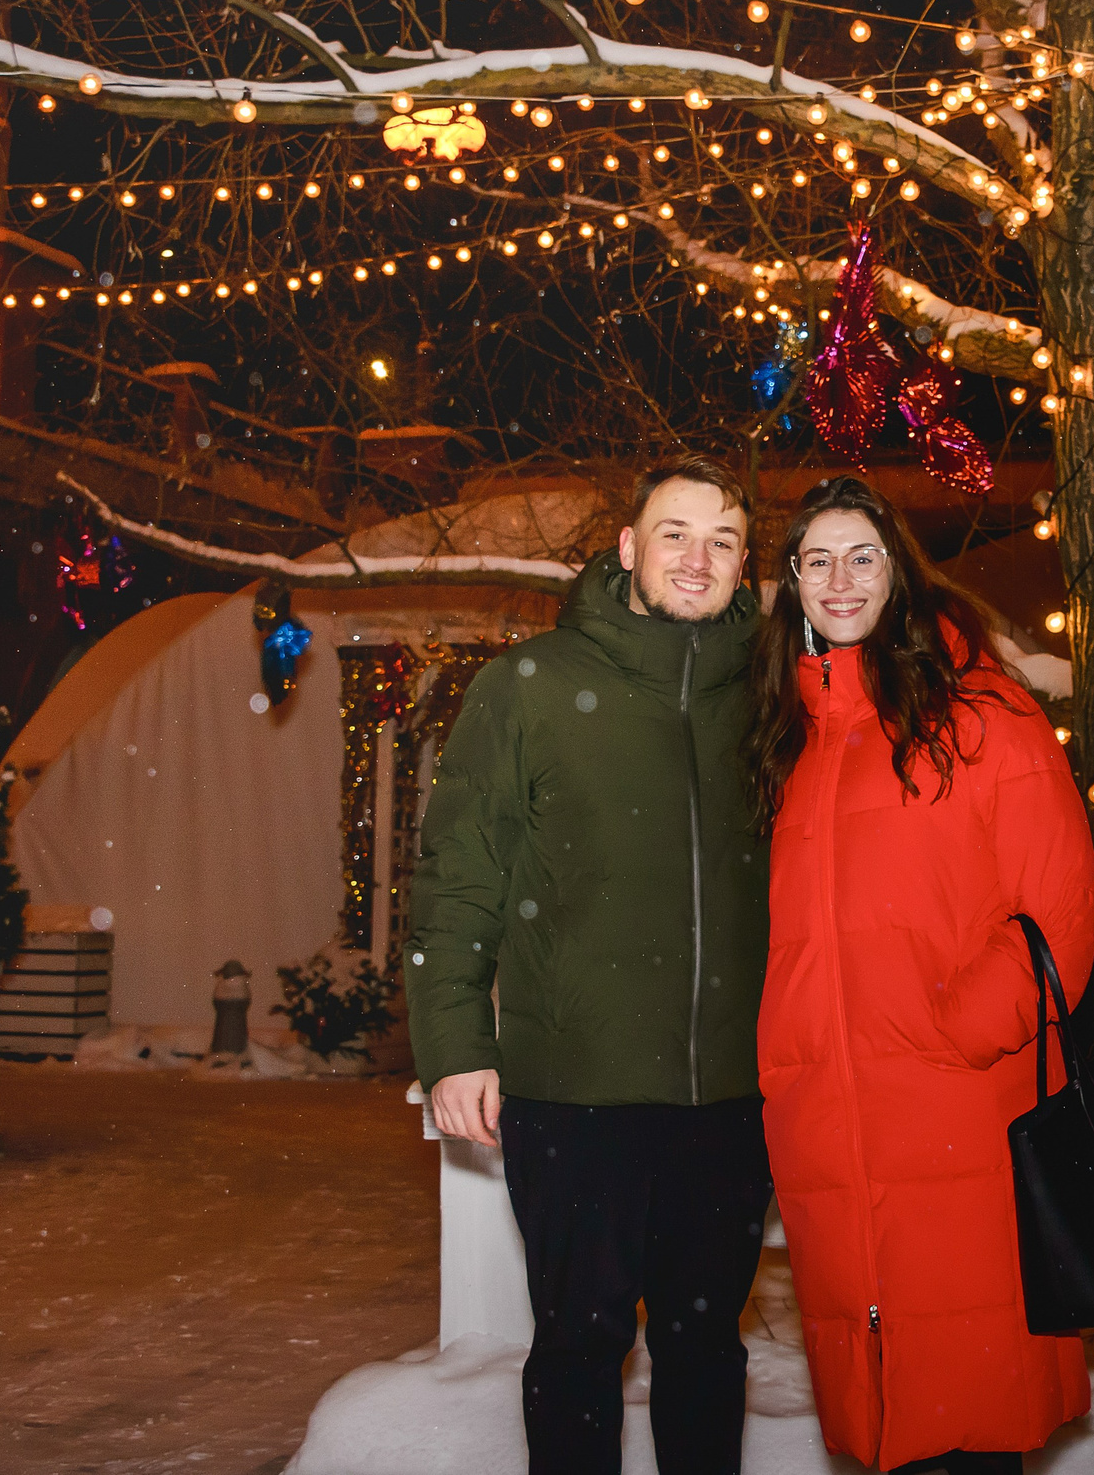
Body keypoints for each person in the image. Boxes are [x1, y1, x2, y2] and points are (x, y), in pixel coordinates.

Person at [406, 456, 772, 1475]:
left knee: (707, 1346)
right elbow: (456, 876)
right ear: (626, 549)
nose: (696, 558)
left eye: (722, 540)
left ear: (745, 566)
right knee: (579, 1346)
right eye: (674, 532)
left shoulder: (777, 695)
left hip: (730, 1096)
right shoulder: (531, 685)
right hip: (575, 1095)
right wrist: (453, 1046)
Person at [747, 475, 1094, 1475]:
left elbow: (1056, 908)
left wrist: (957, 1030)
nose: (839, 579)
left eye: (862, 555)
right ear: (791, 585)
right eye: (816, 560)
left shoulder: (983, 711)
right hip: (828, 1117)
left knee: (969, 1408)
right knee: (887, 1406)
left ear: (900, 571)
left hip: (961, 1108)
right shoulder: (787, 737)